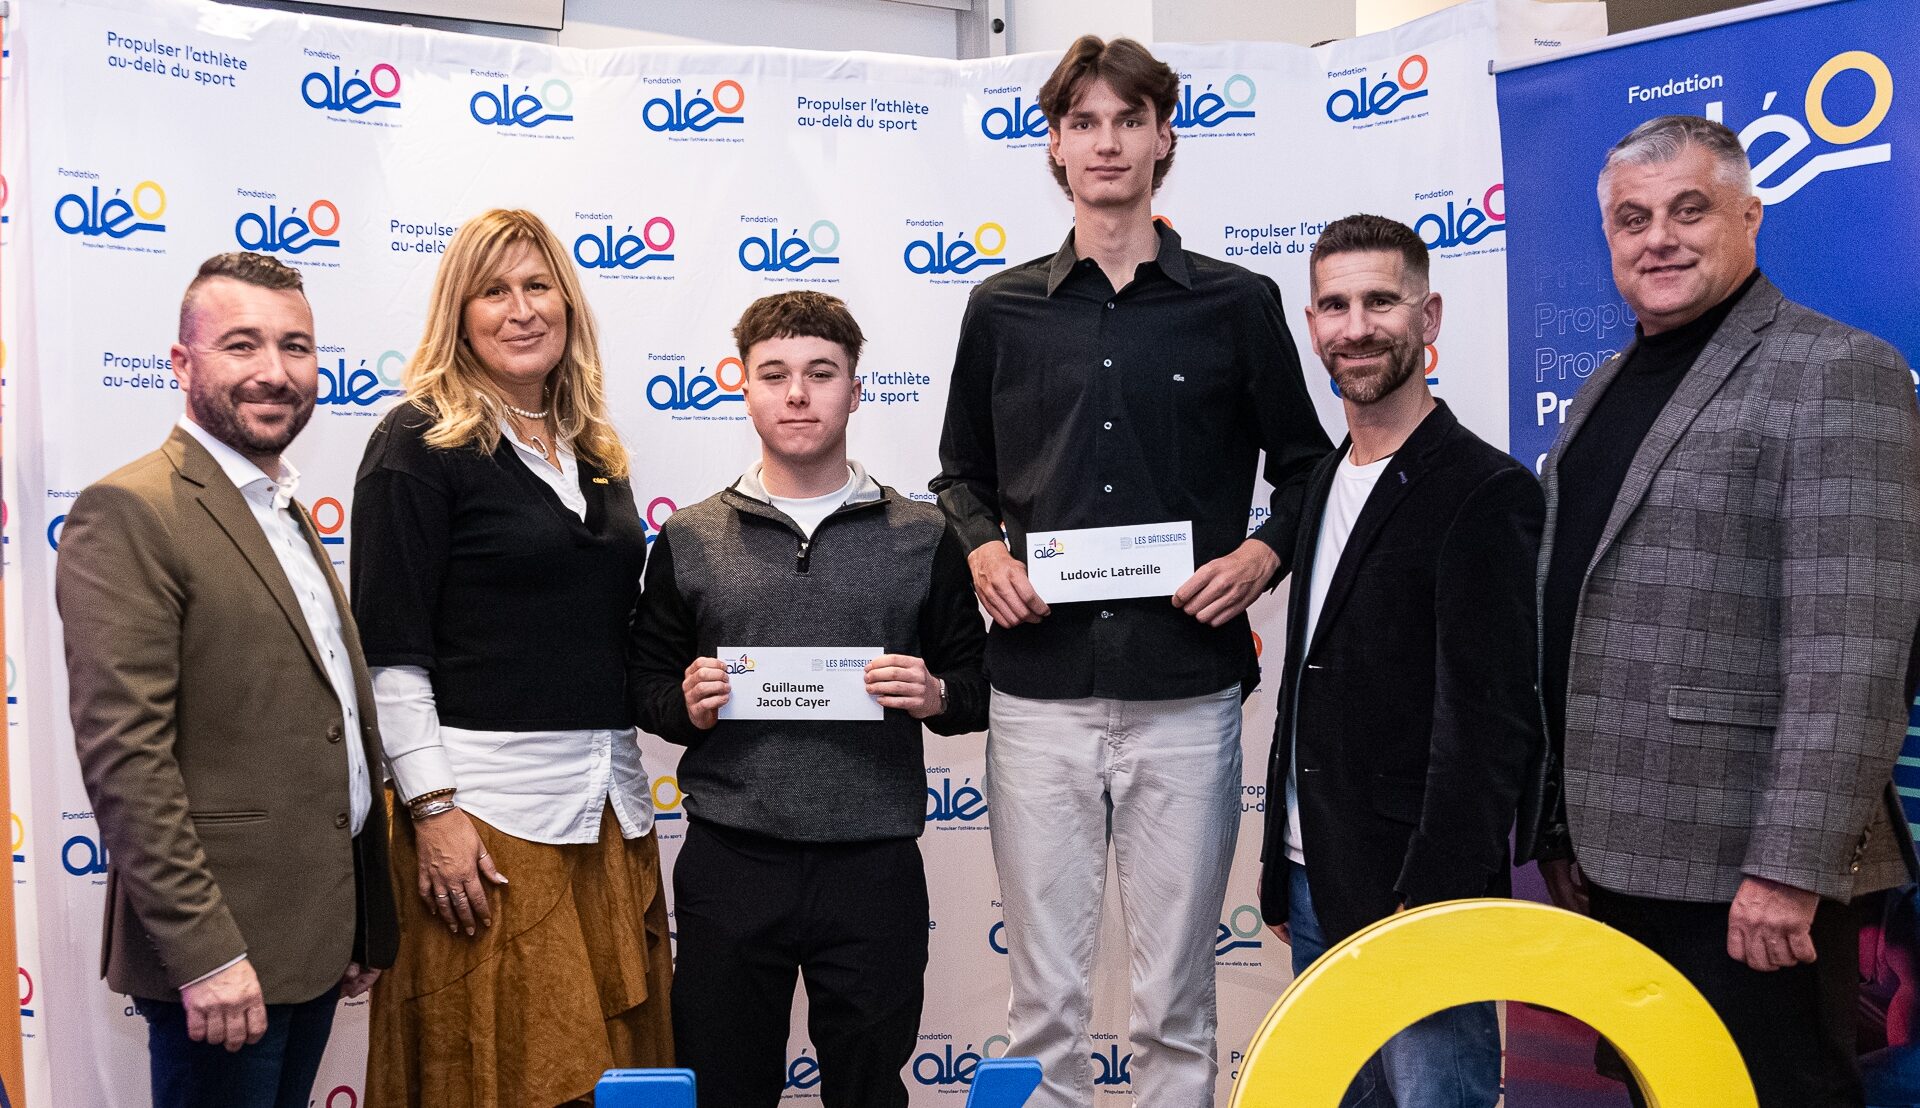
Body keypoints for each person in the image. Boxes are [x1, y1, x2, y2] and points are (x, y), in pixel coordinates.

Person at [931, 35, 1333, 1107]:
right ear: (1055, 146)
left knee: (1175, 1001)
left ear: (1164, 138)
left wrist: (1261, 552)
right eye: (1084, 123)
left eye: (1128, 120)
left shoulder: (1238, 302)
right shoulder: (1000, 307)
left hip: (1186, 691)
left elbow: (1307, 468)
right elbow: (958, 475)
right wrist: (978, 546)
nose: (1107, 143)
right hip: (1038, 693)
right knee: (1045, 1002)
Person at [1530, 114, 1920, 1108]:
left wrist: (1789, 870)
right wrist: (1566, 828)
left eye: (1688, 209)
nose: (1657, 237)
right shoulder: (1605, 386)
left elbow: (1855, 647)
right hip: (1626, 855)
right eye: (1631, 218)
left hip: (1747, 872)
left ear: (1748, 215)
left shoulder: (1836, 371)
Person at [58, 251, 399, 1108]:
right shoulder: (133, 509)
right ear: (181, 363)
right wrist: (205, 953)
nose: (275, 373)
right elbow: (126, 760)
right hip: (223, 954)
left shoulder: (279, 507)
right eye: (241, 346)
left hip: (310, 936)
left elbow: (326, 723)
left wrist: (358, 913)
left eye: (295, 347)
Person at [631, 291, 988, 1108]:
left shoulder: (925, 534)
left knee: (868, 1089)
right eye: (776, 374)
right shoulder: (690, 536)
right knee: (723, 1085)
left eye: (821, 374)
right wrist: (684, 702)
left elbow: (978, 686)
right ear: (744, 387)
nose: (798, 394)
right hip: (731, 858)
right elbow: (645, 684)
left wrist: (934, 693)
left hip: (874, 864)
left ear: (856, 390)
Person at [350, 208, 671, 1107]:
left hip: (608, 809)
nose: (521, 309)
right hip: (484, 822)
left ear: (569, 304)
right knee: (495, 1074)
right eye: (494, 290)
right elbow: (391, 660)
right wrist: (433, 812)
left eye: (539, 286)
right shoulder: (417, 443)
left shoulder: (597, 453)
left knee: (613, 1078)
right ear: (460, 311)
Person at [1256, 214, 1542, 1107]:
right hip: (1313, 875)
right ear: (1311, 326)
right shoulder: (1317, 487)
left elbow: (1491, 721)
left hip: (1420, 892)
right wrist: (1279, 861)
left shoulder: (1485, 490)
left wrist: (1436, 894)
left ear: (1430, 316)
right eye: (1334, 305)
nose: (1356, 326)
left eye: (1382, 300)